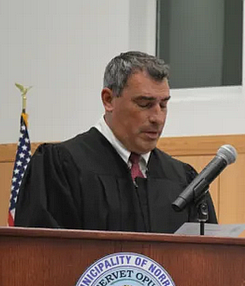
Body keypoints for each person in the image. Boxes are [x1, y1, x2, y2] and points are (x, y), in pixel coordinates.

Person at [14, 51, 216, 232]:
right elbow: (43, 256)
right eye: (145, 104)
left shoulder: (183, 179)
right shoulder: (61, 167)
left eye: (163, 105)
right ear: (108, 100)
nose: (158, 118)